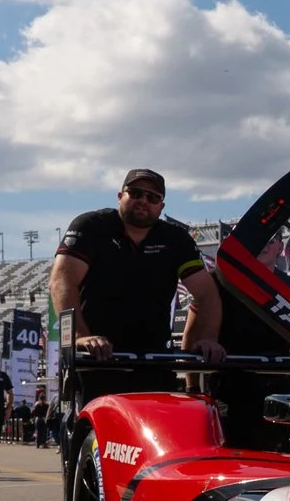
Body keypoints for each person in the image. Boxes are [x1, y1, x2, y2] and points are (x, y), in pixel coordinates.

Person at [50, 169, 224, 400]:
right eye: (136, 193)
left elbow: (207, 292)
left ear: (161, 207)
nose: (143, 201)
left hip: (154, 358)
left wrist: (209, 339)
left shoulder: (174, 238)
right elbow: (61, 282)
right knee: (94, 432)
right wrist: (81, 336)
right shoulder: (91, 226)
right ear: (120, 195)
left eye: (153, 198)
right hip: (97, 357)